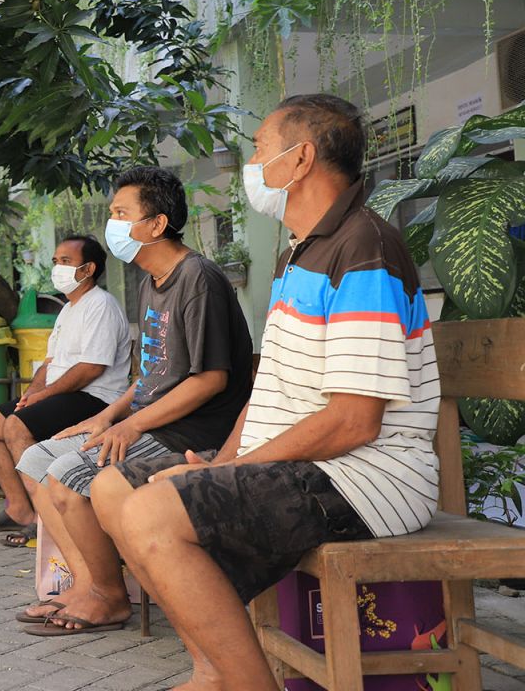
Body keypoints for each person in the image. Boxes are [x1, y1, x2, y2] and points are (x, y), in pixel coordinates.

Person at [91, 94, 439, 690]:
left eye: (258, 149)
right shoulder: (300, 252)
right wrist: (218, 466)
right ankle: (214, 672)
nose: (252, 164)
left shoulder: (363, 250)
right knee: (111, 485)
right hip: (310, 466)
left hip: (369, 478)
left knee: (152, 512)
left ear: (299, 159)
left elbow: (355, 423)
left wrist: (227, 472)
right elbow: (268, 392)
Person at [14, 167, 252, 635]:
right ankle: (86, 584)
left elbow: (209, 381)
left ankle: (108, 597)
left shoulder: (197, 279)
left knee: (67, 474)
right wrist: (105, 418)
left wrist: (132, 427)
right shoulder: (151, 282)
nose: (113, 223)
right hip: (151, 419)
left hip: (193, 430)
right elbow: (150, 376)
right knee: (33, 459)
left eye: (122, 213)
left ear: (157, 224)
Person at [0, 236, 131, 542]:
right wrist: (31, 394)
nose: (58, 268)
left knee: (15, 427)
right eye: (56, 261)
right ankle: (20, 509)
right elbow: (49, 364)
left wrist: (45, 396)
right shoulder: (68, 309)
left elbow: (91, 368)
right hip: (65, 393)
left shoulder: (101, 305)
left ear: (88, 269)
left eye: (66, 262)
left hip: (97, 398)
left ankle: (48, 520)